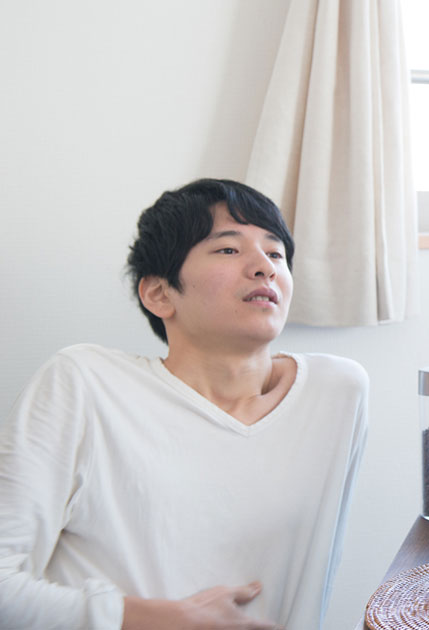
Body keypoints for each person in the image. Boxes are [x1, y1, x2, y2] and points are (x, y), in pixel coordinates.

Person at [0, 179, 369, 629]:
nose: (264, 267)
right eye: (228, 250)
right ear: (159, 293)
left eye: (275, 253)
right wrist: (153, 619)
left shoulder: (336, 392)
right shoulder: (84, 382)